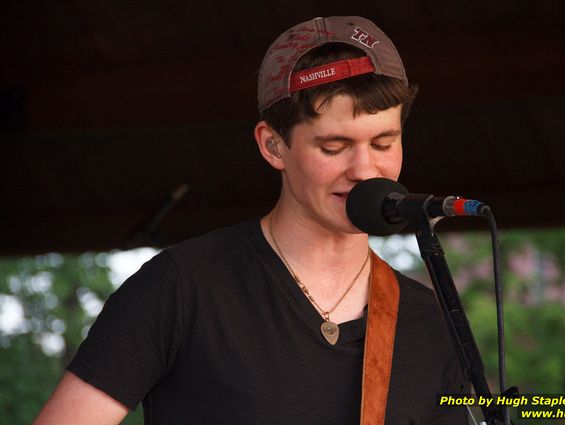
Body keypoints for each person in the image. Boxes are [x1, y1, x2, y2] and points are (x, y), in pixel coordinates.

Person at [34, 16, 468, 424]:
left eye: (383, 142)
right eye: (334, 147)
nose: (364, 170)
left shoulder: (429, 320)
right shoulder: (181, 288)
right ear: (273, 145)